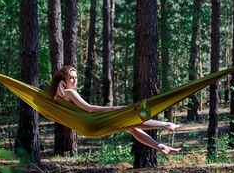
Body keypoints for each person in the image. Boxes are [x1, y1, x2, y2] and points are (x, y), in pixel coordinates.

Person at [48, 65, 181, 156]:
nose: (75, 80)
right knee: (131, 119)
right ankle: (166, 125)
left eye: (76, 78)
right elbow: (89, 109)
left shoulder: (57, 97)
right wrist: (116, 108)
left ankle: (160, 147)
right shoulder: (70, 92)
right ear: (63, 78)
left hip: (86, 127)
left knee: (131, 126)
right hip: (91, 123)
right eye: (71, 77)